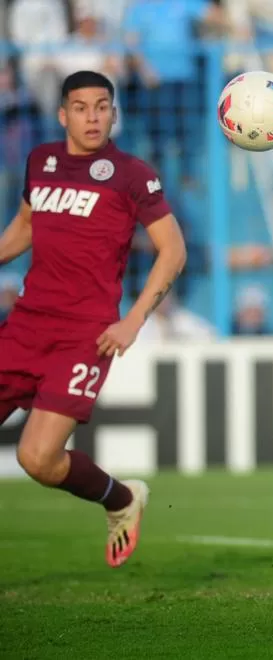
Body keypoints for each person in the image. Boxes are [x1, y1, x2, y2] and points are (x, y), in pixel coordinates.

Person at [0, 70, 187, 568]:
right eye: (81, 107)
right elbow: (25, 226)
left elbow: (173, 251)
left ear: (113, 113)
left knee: (36, 459)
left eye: (102, 106)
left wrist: (134, 320)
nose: (92, 116)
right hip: (25, 325)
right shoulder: (41, 161)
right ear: (63, 114)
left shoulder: (131, 174)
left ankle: (121, 499)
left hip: (84, 335)